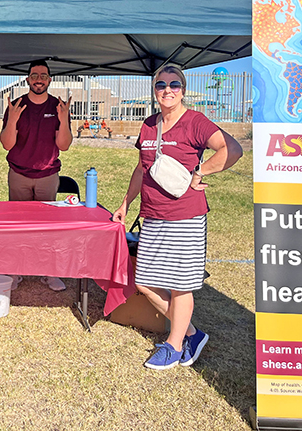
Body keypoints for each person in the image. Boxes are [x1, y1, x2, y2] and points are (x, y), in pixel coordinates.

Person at [112, 64, 243, 370]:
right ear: (154, 90)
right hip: (153, 215)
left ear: (183, 90)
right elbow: (142, 168)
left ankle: (174, 345)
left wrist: (202, 171)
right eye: (161, 85)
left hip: (185, 215)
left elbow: (232, 149)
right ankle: (192, 334)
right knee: (144, 282)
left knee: (180, 284)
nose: (167, 90)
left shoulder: (195, 121)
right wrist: (126, 203)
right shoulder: (148, 125)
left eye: (174, 84)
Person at [0, 60, 73, 291]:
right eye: (34, 75)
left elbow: (64, 145)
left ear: (50, 80)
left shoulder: (58, 106)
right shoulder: (17, 105)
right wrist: (12, 120)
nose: (38, 79)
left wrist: (63, 119)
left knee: (47, 228)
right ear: (28, 79)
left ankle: (48, 273)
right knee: (18, 227)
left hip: (48, 175)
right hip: (19, 174)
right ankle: (15, 273)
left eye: (43, 75)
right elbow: (6, 144)